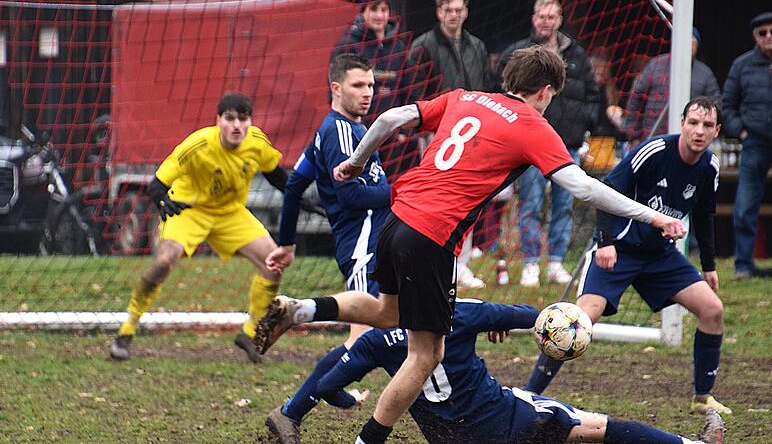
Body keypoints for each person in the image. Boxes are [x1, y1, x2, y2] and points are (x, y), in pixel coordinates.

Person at [254, 46, 686, 444]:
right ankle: (368, 441)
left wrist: (356, 161)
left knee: (388, 311)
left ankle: (303, 309)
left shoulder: (465, 96)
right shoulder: (534, 125)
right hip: (432, 237)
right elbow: (583, 187)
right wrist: (653, 215)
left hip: (397, 218)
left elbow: (388, 120)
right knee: (426, 354)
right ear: (547, 90)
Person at [266, 299, 725, 444]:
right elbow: (531, 313)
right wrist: (541, 324)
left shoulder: (372, 339)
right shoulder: (460, 313)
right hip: (498, 416)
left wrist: (346, 398)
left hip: (446, 436)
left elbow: (327, 384)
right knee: (596, 427)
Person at [526, 97, 732, 416]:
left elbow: (705, 216)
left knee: (712, 309)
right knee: (577, 321)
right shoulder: (654, 151)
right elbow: (607, 189)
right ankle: (529, 395)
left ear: (716, 130)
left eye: (707, 125)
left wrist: (708, 266)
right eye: (693, 123)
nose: (699, 131)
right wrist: (604, 242)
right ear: (682, 124)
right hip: (619, 249)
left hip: (660, 255)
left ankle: (702, 397)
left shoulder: (710, 167)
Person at [263, 54, 390, 441]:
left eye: (370, 85)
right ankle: (292, 410)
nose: (367, 93)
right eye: (357, 85)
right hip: (364, 245)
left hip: (373, 241)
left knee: (386, 332)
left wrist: (286, 243)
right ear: (336, 88)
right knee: (362, 339)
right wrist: (401, 190)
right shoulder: (339, 133)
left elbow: (294, 186)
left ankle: (317, 393)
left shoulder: (330, 130)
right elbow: (352, 198)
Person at [109, 92, 287, 363]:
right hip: (189, 210)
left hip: (230, 214)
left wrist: (301, 197)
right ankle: (127, 328)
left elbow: (276, 175)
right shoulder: (197, 145)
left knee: (274, 261)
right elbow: (157, 183)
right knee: (164, 261)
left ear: (250, 121)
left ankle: (250, 333)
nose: (237, 126)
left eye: (243, 119)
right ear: (218, 121)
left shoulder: (257, 142)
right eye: (230, 119)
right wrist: (161, 201)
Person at [496, 0, 601, 287]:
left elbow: (594, 93)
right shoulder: (517, 53)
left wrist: (584, 126)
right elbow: (500, 92)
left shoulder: (576, 54)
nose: (546, 21)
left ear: (560, 19)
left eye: (551, 16)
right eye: (541, 16)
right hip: (528, 144)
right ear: (533, 18)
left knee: (564, 203)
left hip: (566, 143)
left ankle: (555, 262)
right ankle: (531, 263)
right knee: (530, 202)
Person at [410, 0, 493, 290]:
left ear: (466, 11)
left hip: (472, 132)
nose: (454, 15)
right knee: (435, 196)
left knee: (467, 194)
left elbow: (486, 87)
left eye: (459, 10)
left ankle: (461, 263)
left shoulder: (477, 46)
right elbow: (415, 93)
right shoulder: (423, 46)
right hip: (437, 132)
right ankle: (431, 258)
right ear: (439, 11)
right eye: (449, 10)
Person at [722, 11, 772, 281]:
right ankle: (743, 265)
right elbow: (727, 104)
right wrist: (740, 131)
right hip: (754, 142)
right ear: (755, 37)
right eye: (762, 33)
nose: (769, 37)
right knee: (745, 205)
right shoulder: (742, 65)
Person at [332, 0, 418, 181]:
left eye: (384, 10)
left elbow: (408, 91)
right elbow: (335, 92)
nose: (379, 15)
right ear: (363, 11)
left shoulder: (399, 48)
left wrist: (404, 131)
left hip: (392, 137)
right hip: (359, 135)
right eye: (374, 9)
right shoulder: (348, 46)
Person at [624, 27, 721, 147]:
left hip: (688, 143)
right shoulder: (655, 66)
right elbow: (635, 99)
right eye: (684, 42)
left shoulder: (705, 74)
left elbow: (716, 106)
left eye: (692, 44)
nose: (688, 47)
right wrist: (633, 136)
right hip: (652, 137)